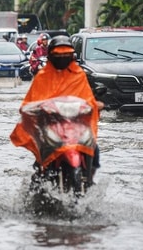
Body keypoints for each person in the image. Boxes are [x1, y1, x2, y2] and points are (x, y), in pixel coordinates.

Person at [10, 35, 102, 177]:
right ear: (51, 56)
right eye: (59, 55)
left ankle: (89, 178)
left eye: (66, 54)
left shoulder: (79, 75)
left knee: (94, 149)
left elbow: (87, 99)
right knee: (41, 161)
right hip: (51, 127)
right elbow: (31, 103)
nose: (62, 58)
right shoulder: (42, 77)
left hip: (76, 127)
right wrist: (30, 110)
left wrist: (95, 105)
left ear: (72, 56)